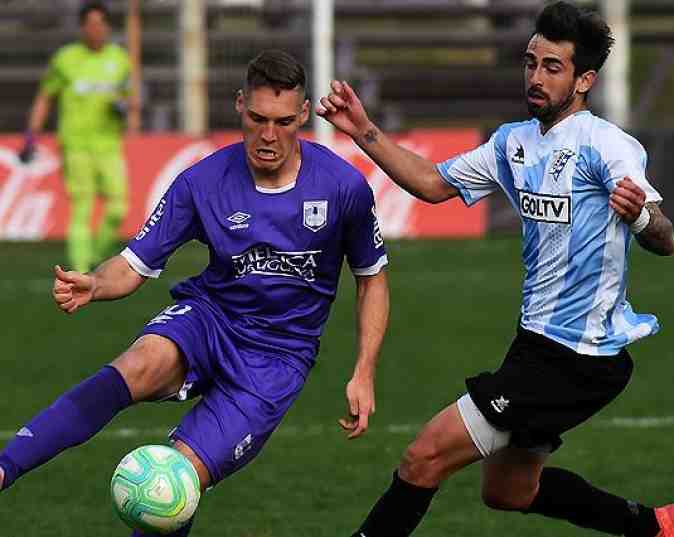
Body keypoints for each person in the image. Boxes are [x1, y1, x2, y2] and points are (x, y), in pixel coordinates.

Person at [317, 2, 674, 537]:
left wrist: (639, 216)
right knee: (509, 491)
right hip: (535, 346)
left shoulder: (604, 145)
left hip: (575, 356)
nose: (535, 77)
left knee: (423, 457)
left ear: (584, 80)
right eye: (530, 62)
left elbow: (666, 237)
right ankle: (655, 528)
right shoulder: (512, 143)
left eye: (552, 67)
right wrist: (363, 130)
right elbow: (431, 183)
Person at [0, 49, 390, 537]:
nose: (269, 136)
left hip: (275, 360)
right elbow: (133, 263)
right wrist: (97, 283)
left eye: (284, 121)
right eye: (258, 119)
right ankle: (4, 467)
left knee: (171, 485)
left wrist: (364, 371)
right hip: (210, 317)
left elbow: (372, 277)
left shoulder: (343, 187)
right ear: (239, 106)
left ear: (304, 115)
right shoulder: (202, 182)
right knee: (137, 364)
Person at [19, 1, 135, 273]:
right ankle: (82, 269)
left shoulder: (119, 60)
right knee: (82, 206)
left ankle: (95, 254)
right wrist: (31, 134)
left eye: (100, 23)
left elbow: (129, 100)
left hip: (109, 144)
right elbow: (46, 97)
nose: (96, 29)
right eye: (90, 24)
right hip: (75, 145)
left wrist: (123, 107)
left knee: (118, 208)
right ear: (82, 28)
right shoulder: (66, 59)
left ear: (107, 26)